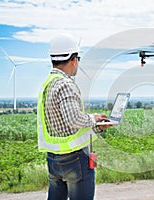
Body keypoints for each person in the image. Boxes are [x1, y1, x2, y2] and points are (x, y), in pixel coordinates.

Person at [37, 33, 112, 200]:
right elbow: (73, 119)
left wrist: (95, 124)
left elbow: (64, 124)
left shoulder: (48, 83)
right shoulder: (66, 84)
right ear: (73, 59)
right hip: (74, 159)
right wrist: (93, 119)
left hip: (54, 158)